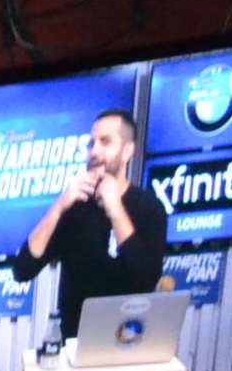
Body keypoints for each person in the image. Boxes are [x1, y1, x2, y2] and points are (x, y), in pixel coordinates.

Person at [16, 107, 166, 338]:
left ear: (127, 151)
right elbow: (22, 270)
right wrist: (58, 208)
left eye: (105, 142)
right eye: (91, 144)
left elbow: (146, 279)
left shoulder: (150, 208)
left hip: (128, 345)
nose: (94, 151)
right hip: (75, 347)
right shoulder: (74, 208)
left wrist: (115, 211)